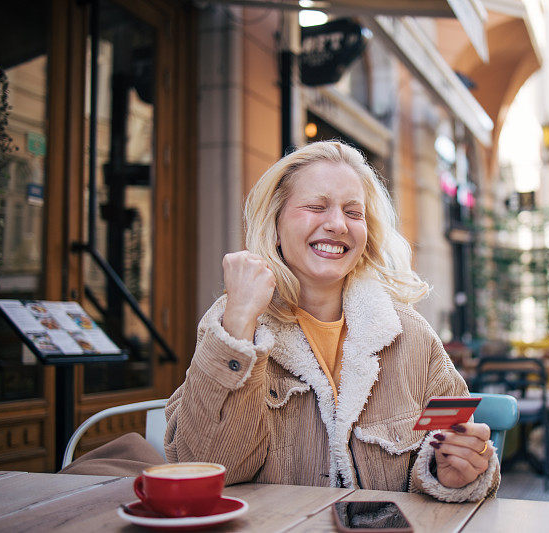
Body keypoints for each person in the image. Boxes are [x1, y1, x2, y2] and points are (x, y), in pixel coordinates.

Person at [164, 141, 499, 502]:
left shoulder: (411, 335)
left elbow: (456, 449)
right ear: (274, 225)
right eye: (316, 207)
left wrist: (450, 473)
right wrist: (241, 321)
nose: (337, 224)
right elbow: (206, 466)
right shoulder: (230, 325)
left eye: (353, 213)